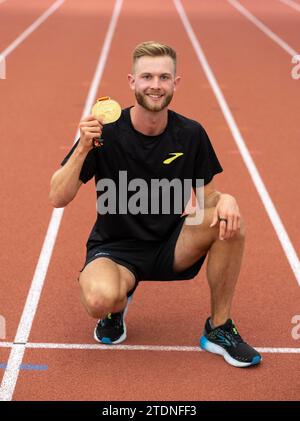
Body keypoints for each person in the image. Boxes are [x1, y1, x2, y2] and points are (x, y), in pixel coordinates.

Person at [49, 41, 261, 368]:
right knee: (98, 298)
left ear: (175, 84)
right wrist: (82, 149)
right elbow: (57, 197)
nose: (155, 85)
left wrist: (228, 199)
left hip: (172, 245)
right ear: (132, 82)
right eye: (147, 76)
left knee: (229, 221)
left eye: (164, 77)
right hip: (116, 248)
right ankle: (116, 303)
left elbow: (209, 202)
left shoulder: (191, 134)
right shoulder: (103, 132)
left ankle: (219, 328)